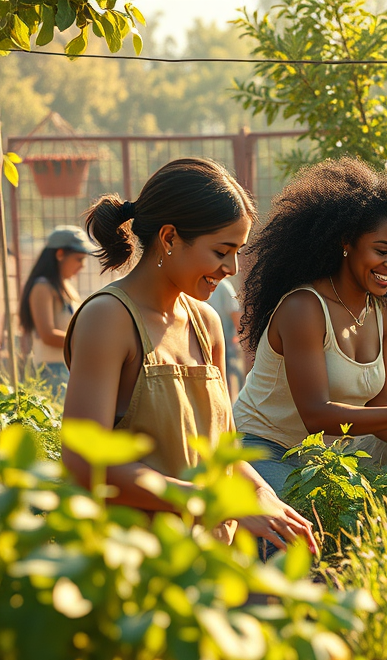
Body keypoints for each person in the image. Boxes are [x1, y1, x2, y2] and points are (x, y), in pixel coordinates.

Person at [63, 157, 315, 553]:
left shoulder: (206, 322)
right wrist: (212, 503)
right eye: (221, 251)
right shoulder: (108, 319)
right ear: (169, 238)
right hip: (133, 565)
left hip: (210, 561)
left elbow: (223, 449)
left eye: (238, 252)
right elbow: (84, 464)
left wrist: (261, 492)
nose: (232, 268)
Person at [234, 157, 387, 495]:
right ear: (345, 242)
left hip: (324, 457)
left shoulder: (384, 314)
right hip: (264, 449)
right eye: (382, 250)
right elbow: (317, 416)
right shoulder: (304, 308)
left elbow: (380, 407)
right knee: (299, 537)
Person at [18, 226, 90, 394]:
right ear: (59, 254)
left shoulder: (66, 285)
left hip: (69, 368)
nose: (82, 266)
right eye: (79, 259)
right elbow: (48, 335)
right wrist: (89, 343)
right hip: (52, 372)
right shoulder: (42, 287)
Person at [207, 275, 243, 399]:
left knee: (226, 375)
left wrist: (239, 336)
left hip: (225, 340)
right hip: (205, 341)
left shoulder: (223, 286)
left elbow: (235, 312)